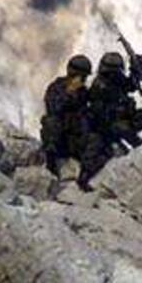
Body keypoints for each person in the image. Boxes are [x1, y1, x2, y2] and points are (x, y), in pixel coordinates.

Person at [40, 54, 110, 191]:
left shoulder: (83, 92)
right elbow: (53, 109)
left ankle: (84, 178)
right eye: (82, 76)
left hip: (76, 140)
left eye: (85, 77)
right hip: (59, 140)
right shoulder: (57, 87)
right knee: (51, 122)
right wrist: (69, 92)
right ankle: (51, 165)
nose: (83, 80)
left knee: (99, 143)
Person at [89, 51, 142, 153]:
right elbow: (101, 117)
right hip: (111, 129)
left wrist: (136, 71)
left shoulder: (118, 80)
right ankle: (140, 151)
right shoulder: (99, 85)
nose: (114, 75)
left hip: (129, 119)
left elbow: (129, 86)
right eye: (111, 72)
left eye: (116, 72)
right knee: (122, 131)